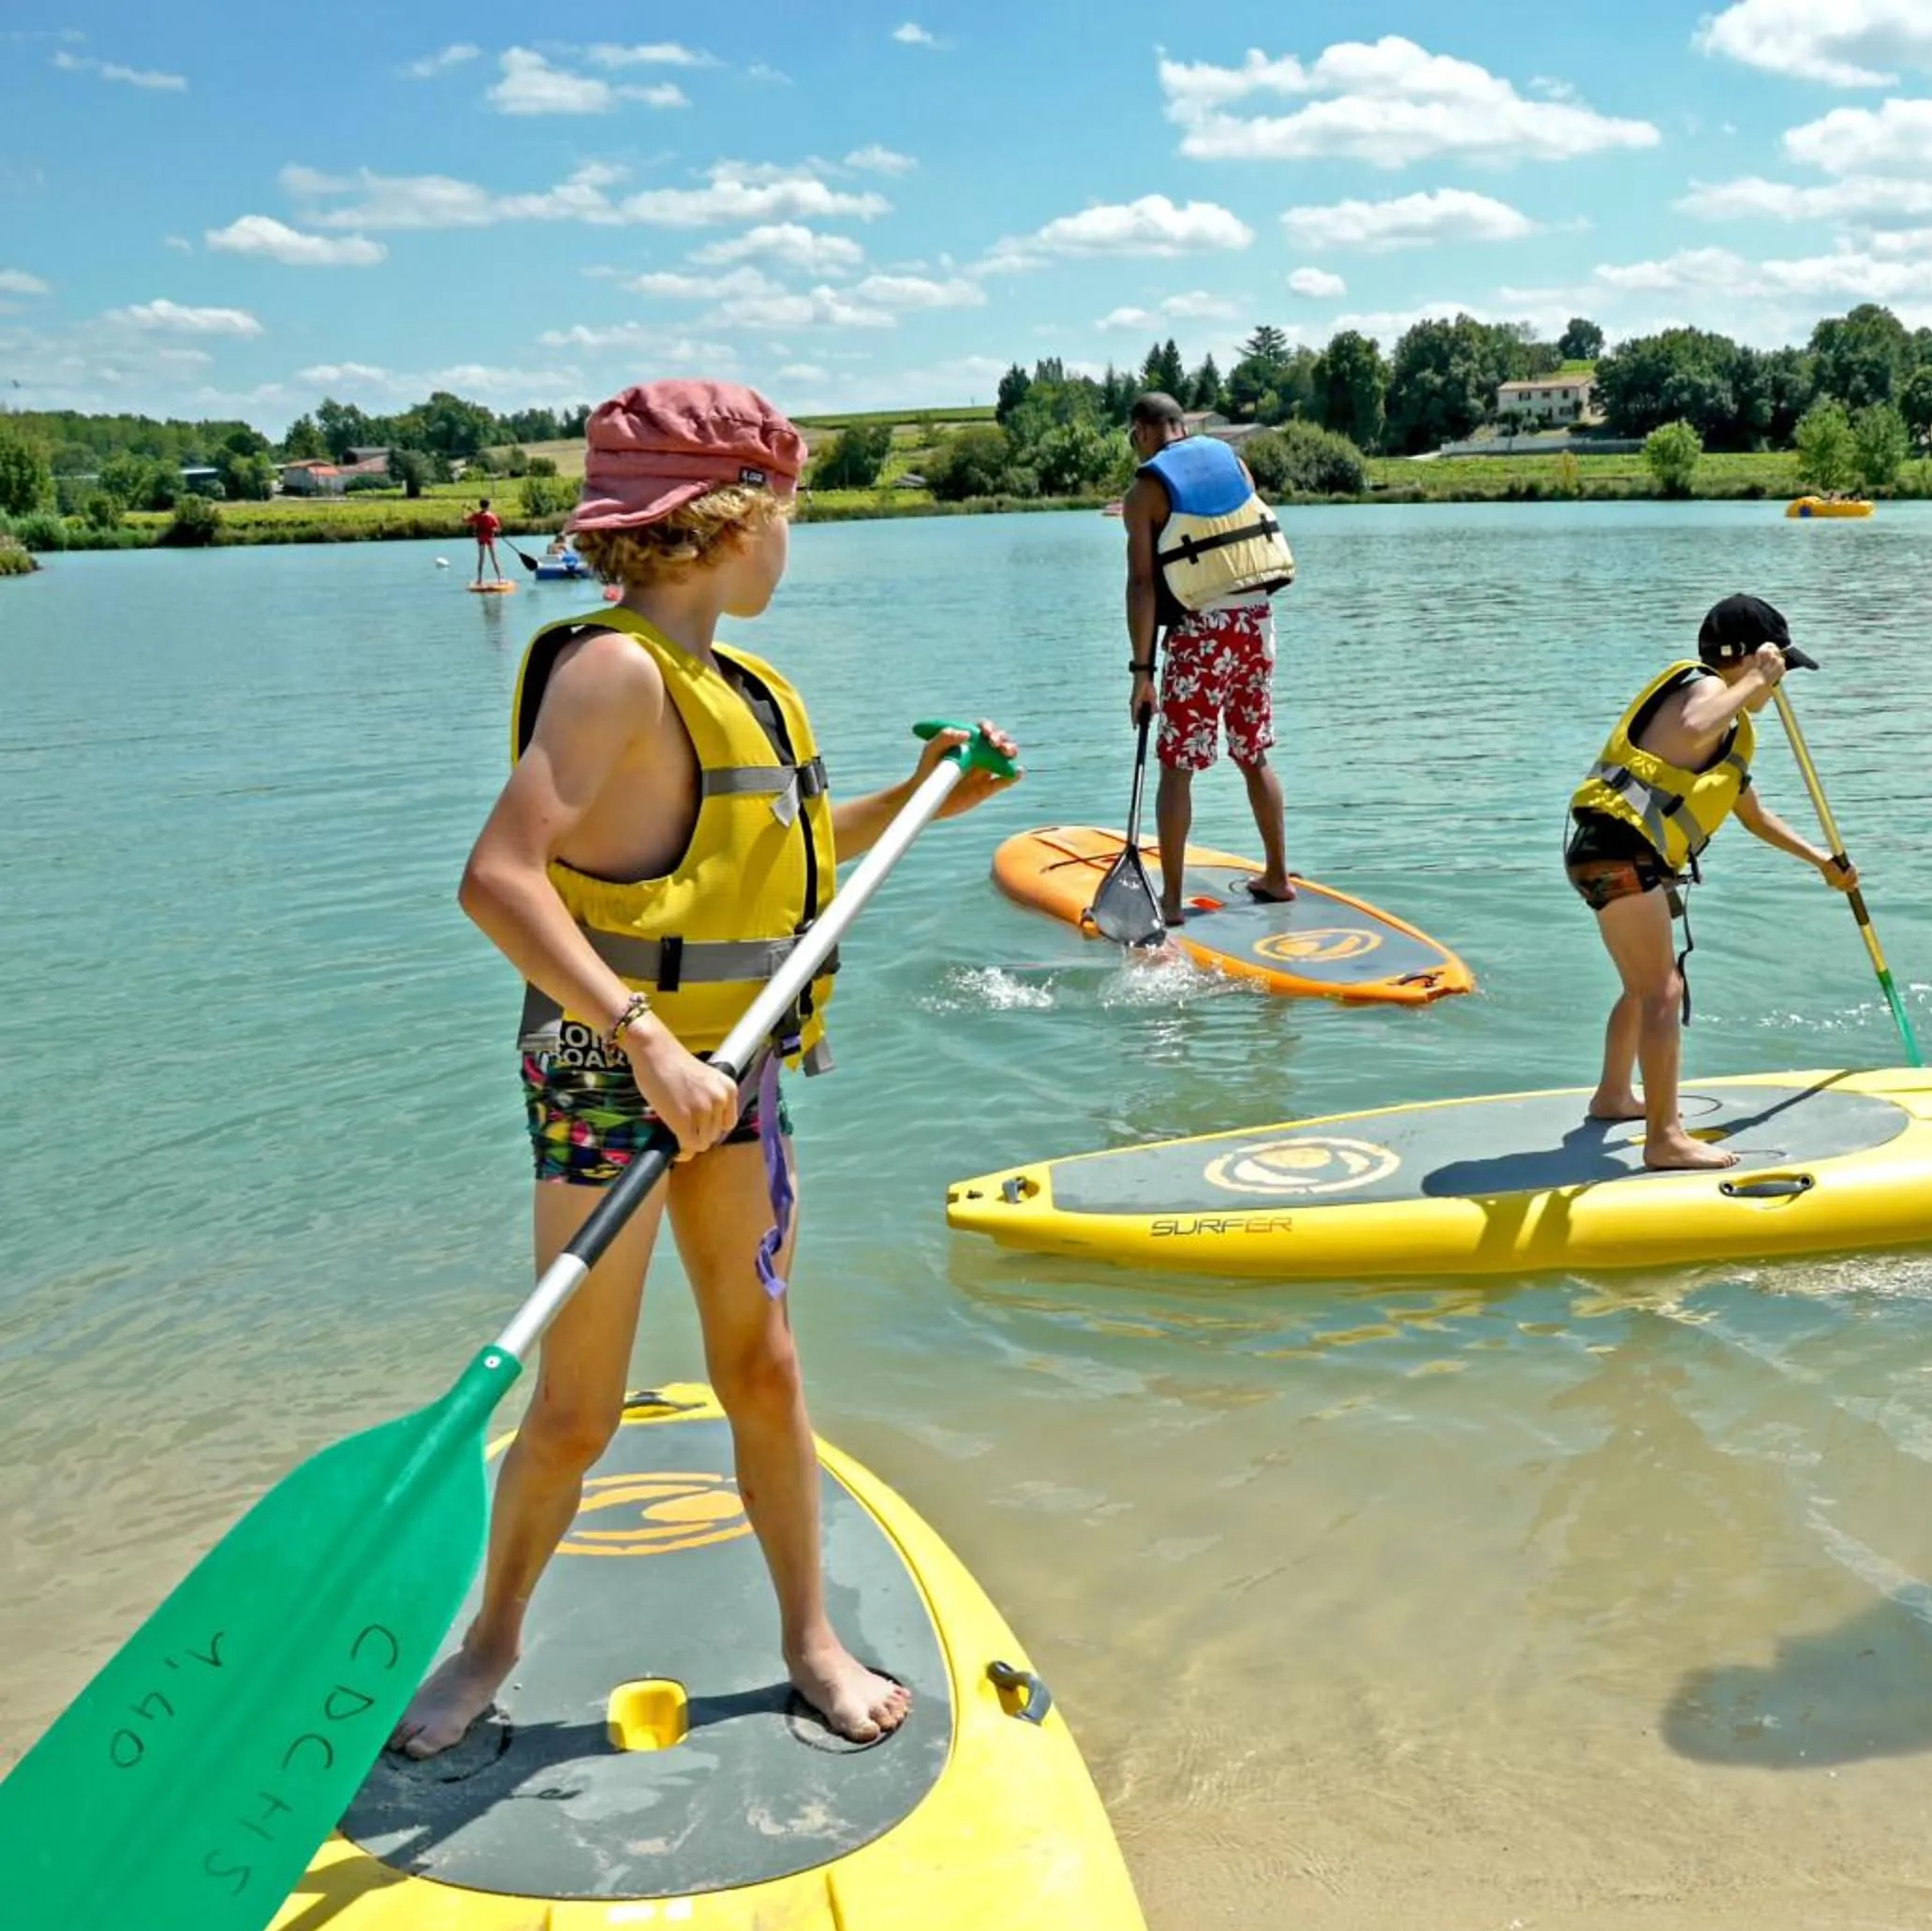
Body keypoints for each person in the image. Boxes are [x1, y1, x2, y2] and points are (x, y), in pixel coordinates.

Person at [391, 380, 1020, 1757]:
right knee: (576, 1410)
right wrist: (645, 1040)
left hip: (733, 1072)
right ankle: (489, 1644)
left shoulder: (745, 688)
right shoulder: (611, 671)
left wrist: (925, 798)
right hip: (608, 1067)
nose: (791, 539)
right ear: (729, 522)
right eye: (786, 512)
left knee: (765, 1369)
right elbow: (499, 879)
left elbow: (766, 856)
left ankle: (809, 1639)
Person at [1569, 595, 1858, 1172]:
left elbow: (1754, 816)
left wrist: (1821, 860)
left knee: (1642, 988)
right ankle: (1664, 1139)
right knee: (1662, 992)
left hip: (1606, 855)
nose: (1782, 682)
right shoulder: (1705, 693)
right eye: (1781, 666)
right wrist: (1754, 681)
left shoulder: (1728, 729)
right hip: (1622, 854)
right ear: (1751, 657)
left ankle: (1613, 1097)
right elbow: (1697, 723)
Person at [1122, 393, 1293, 921]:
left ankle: (1171, 902)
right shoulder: (1234, 462)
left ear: (1143, 430)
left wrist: (1142, 674)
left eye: (1133, 437)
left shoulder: (1145, 491)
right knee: (1253, 753)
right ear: (1181, 425)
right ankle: (1278, 877)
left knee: (1177, 768)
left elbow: (1142, 585)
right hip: (1256, 623)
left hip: (1202, 634)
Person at [465, 494, 506, 584]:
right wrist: (495, 529)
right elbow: (499, 529)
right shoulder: (492, 516)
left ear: (480, 505)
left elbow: (465, 521)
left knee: (481, 559)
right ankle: (499, 578)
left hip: (481, 538)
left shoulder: (477, 515)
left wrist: (463, 510)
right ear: (488, 506)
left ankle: (479, 579)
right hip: (489, 538)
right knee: (494, 559)